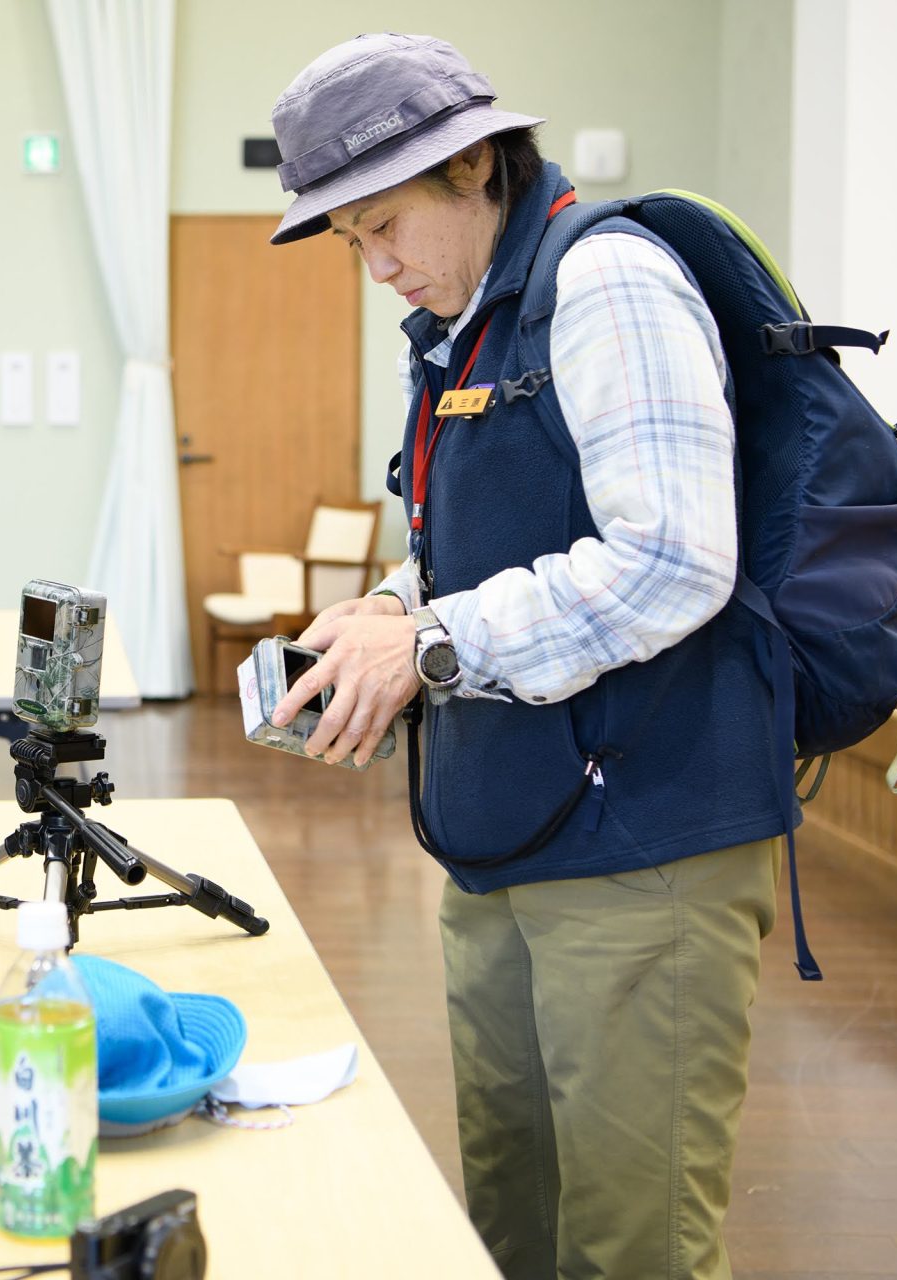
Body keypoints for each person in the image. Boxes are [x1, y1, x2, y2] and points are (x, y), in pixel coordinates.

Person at [266, 35, 786, 1280]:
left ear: (479, 165)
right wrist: (389, 608)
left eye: (387, 225)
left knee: (631, 1242)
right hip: (503, 838)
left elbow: (673, 559)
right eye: (350, 240)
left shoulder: (606, 279)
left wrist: (432, 642)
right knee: (513, 1216)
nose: (377, 266)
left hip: (640, 851)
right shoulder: (463, 324)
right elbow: (487, 540)